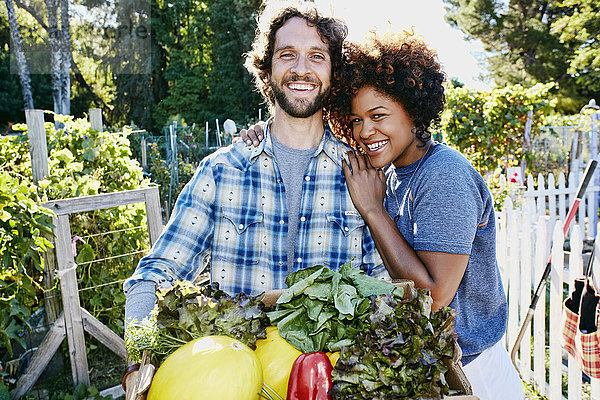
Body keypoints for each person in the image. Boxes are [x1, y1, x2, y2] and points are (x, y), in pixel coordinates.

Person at [121, 2, 387, 396]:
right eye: (287, 55)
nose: (301, 69)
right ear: (267, 69)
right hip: (227, 386)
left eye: (317, 56)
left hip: (323, 388)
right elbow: (154, 275)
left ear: (333, 74)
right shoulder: (221, 171)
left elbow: (383, 290)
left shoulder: (361, 177)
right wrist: (138, 357)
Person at [241, 31, 524, 400]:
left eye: (378, 116)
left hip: (474, 373)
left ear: (413, 111)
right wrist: (267, 132)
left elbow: (434, 298)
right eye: (356, 120)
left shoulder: (444, 175)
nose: (365, 131)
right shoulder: (389, 171)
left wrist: (372, 209)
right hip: (431, 369)